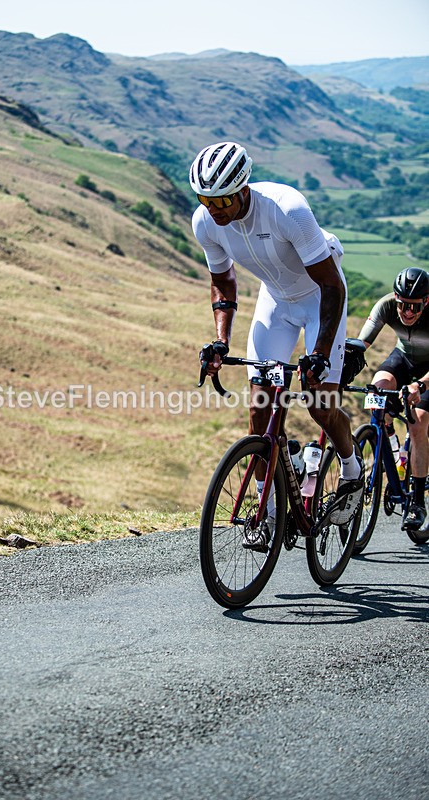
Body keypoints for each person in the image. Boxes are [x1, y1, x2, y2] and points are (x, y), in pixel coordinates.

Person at [190, 140, 363, 549]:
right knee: (260, 411)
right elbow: (223, 281)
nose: (214, 209)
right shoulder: (205, 222)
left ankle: (352, 467)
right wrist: (219, 340)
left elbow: (332, 286)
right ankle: (268, 514)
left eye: (222, 200)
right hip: (275, 300)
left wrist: (318, 352)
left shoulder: (288, 208)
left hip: (320, 295)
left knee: (319, 401)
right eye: (205, 199)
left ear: (243, 189)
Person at [358, 267, 429, 530]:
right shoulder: (386, 305)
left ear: (426, 301)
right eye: (403, 306)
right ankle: (390, 442)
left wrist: (420, 385)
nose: (407, 312)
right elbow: (361, 343)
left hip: (427, 374)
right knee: (377, 390)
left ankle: (418, 503)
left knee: (418, 422)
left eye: (414, 307)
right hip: (404, 359)